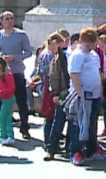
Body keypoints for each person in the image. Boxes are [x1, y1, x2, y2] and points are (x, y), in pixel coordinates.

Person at [67, 27, 106, 166]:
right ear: (81, 41)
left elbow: (98, 72)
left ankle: (91, 149)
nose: (90, 47)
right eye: (87, 44)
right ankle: (76, 152)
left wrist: (100, 89)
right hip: (82, 96)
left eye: (92, 44)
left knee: (92, 123)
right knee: (79, 124)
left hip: (94, 94)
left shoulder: (94, 55)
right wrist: (79, 92)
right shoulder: (78, 55)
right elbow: (74, 74)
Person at [0, 11, 33, 139]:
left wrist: (14, 58)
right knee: (1, 101)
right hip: (2, 74)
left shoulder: (21, 35)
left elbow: (28, 52)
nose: (10, 20)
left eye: (12, 18)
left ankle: (24, 127)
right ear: (1, 21)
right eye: (7, 18)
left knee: (21, 100)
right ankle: (2, 128)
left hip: (17, 72)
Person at [45, 29, 71, 161]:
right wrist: (55, 93)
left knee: (73, 123)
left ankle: (69, 149)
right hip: (62, 93)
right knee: (58, 122)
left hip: (74, 92)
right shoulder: (58, 57)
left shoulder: (73, 54)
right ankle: (51, 149)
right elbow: (54, 76)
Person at [0, 56, 16, 145]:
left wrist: (1, 92)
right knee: (7, 117)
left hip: (8, 98)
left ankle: (9, 135)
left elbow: (12, 88)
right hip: (4, 98)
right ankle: (4, 135)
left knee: (3, 117)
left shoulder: (8, 75)